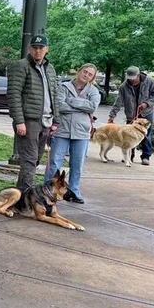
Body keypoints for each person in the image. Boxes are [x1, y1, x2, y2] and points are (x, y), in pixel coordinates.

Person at [6, 33, 61, 190]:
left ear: (46, 49)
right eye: (35, 48)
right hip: (29, 121)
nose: (38, 51)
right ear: (29, 49)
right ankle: (30, 198)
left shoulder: (50, 69)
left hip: (46, 121)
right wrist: (19, 121)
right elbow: (13, 94)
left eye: (41, 48)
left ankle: (20, 195)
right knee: (29, 160)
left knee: (34, 160)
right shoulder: (21, 66)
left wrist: (56, 120)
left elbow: (54, 94)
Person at [44, 63, 100, 204]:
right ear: (79, 71)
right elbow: (59, 105)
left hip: (81, 132)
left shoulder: (93, 91)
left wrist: (71, 101)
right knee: (55, 162)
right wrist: (82, 107)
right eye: (84, 71)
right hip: (62, 130)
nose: (86, 75)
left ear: (92, 77)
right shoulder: (64, 87)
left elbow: (92, 107)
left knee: (77, 164)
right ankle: (48, 189)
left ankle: (74, 190)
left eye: (90, 74)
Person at [108, 66, 154, 165]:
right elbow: (118, 101)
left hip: (146, 112)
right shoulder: (124, 86)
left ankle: (146, 157)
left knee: (147, 135)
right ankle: (129, 157)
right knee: (129, 136)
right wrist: (112, 115)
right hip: (131, 114)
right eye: (129, 78)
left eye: (134, 78)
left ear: (138, 75)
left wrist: (147, 103)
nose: (132, 80)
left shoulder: (149, 82)